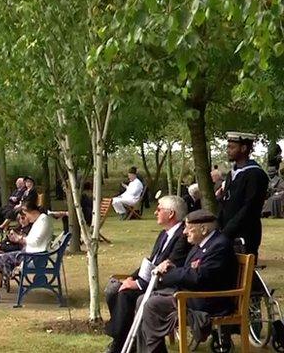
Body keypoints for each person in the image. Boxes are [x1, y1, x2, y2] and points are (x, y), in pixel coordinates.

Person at [136, 209, 239, 353]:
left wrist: (168, 274)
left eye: (188, 228)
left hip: (209, 300)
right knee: (142, 299)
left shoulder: (219, 245)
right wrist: (171, 267)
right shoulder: (200, 245)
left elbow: (198, 278)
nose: (184, 232)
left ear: (203, 229)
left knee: (152, 304)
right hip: (192, 294)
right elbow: (188, 270)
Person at [102, 196, 191, 353]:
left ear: (171, 214)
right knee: (112, 289)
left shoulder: (183, 237)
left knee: (125, 294)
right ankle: (123, 339)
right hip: (149, 280)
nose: (155, 212)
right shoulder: (164, 234)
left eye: (159, 209)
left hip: (164, 285)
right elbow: (151, 261)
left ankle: (119, 341)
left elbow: (167, 268)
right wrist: (132, 277)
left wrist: (138, 284)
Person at [0, 199, 53, 303]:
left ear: (29, 211)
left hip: (34, 257)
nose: (26, 218)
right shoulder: (39, 221)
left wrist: (20, 239)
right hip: (31, 254)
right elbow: (33, 241)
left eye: (25, 215)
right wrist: (19, 239)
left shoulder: (43, 220)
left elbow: (35, 242)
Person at [217, 132, 269, 256]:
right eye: (228, 147)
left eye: (232, 147)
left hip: (245, 232)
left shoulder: (255, 174)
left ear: (244, 148)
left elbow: (249, 208)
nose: (228, 151)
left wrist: (228, 230)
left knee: (244, 272)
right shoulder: (232, 173)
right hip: (226, 232)